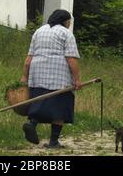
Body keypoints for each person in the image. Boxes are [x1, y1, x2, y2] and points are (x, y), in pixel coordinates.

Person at [20, 9, 82, 149]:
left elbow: (29, 58)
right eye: (69, 21)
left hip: (38, 75)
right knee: (60, 108)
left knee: (39, 102)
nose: (69, 24)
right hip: (58, 77)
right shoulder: (66, 34)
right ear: (66, 21)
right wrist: (77, 79)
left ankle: (32, 124)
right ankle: (54, 141)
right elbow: (71, 58)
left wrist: (24, 76)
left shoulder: (39, 31)